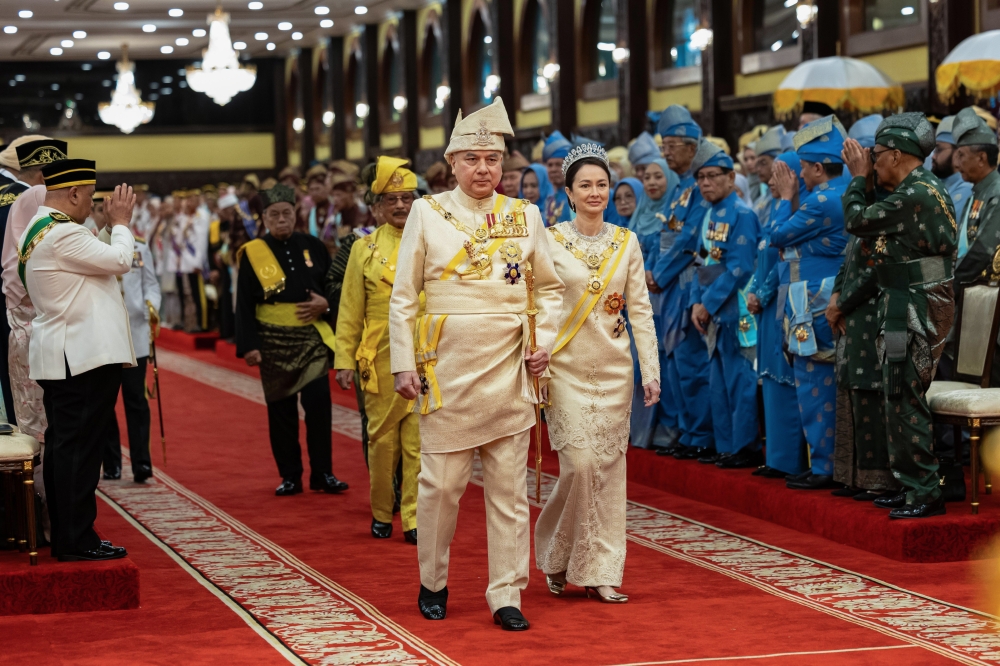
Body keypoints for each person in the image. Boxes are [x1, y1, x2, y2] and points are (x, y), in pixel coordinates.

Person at [389, 97, 564, 630]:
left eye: (493, 159)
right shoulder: (427, 211)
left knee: (509, 490)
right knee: (440, 486)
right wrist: (402, 363)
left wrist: (546, 341)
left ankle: (506, 592)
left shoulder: (525, 215)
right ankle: (433, 580)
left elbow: (551, 290)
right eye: (472, 159)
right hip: (446, 368)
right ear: (452, 165)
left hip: (509, 368)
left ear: (505, 164)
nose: (484, 168)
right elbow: (403, 297)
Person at [535, 143, 659, 604]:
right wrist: (539, 352)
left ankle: (601, 571)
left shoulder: (626, 242)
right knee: (580, 468)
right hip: (565, 367)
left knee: (608, 472)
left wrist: (651, 370)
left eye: (601, 184)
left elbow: (640, 311)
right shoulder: (549, 240)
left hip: (613, 371)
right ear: (568, 192)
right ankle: (555, 554)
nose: (595, 192)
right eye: (584, 185)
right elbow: (540, 305)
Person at [842, 113, 956, 519]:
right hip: (901, 303)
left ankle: (926, 491)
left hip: (916, 306)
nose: (871, 164)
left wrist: (858, 180)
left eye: (875, 157)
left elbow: (857, 220)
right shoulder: (912, 189)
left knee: (904, 392)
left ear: (895, 154)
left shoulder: (918, 193)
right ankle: (911, 484)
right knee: (895, 389)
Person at [22, 163, 136, 562]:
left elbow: (94, 257)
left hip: (66, 354)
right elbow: (120, 260)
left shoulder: (43, 226)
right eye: (89, 197)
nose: (91, 205)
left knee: (65, 447)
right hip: (83, 357)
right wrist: (121, 223)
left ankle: (70, 534)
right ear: (72, 194)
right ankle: (76, 538)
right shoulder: (63, 232)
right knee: (79, 452)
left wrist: (106, 227)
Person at [235, 184, 349, 497]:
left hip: (312, 337)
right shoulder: (253, 252)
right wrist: (250, 345)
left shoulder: (314, 245)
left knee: (319, 407)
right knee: (281, 412)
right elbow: (243, 302)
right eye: (275, 215)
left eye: (287, 213)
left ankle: (323, 473)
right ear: (264, 218)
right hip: (273, 342)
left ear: (295, 213)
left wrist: (325, 304)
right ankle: (290, 475)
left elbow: (334, 287)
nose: (282, 219)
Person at [334, 157, 421, 544]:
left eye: (407, 198)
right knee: (382, 442)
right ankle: (382, 511)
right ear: (378, 206)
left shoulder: (432, 243)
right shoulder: (363, 249)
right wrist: (343, 359)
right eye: (391, 199)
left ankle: (415, 517)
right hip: (379, 357)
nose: (400, 206)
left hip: (424, 356)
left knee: (419, 444)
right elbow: (350, 309)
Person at [769, 116, 851, 489]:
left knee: (815, 383)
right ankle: (825, 463)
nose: (798, 175)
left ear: (819, 168)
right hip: (820, 294)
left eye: (802, 167)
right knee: (822, 383)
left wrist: (786, 199)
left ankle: (824, 467)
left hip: (815, 300)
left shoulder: (822, 200)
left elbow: (778, 234)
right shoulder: (845, 192)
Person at [689, 142, 762, 468]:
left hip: (738, 309)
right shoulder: (707, 214)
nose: (706, 183)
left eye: (713, 176)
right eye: (700, 177)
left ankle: (744, 447)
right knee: (717, 382)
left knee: (740, 379)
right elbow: (700, 261)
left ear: (731, 177)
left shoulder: (743, 214)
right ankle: (726, 445)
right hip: (712, 310)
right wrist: (695, 303)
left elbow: (741, 267)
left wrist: (707, 302)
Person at [653, 112, 715, 461]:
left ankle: (702, 434)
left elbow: (689, 238)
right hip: (672, 285)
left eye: (672, 146)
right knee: (676, 362)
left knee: (692, 361)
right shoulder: (679, 187)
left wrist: (657, 274)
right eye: (663, 147)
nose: (666, 153)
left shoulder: (702, 184)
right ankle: (687, 430)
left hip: (689, 282)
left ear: (693, 148)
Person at [92, 191, 162, 484]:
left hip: (134, 333)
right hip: (105, 336)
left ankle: (142, 463)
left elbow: (152, 286)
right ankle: (112, 464)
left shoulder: (139, 247)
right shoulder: (90, 245)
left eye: (107, 207)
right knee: (104, 404)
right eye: (98, 209)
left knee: (136, 401)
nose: (102, 213)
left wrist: (151, 309)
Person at [746, 152, 808, 479]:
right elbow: (763, 262)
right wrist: (754, 293)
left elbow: (786, 260)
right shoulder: (772, 208)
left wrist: (764, 292)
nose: (770, 181)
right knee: (770, 375)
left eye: (779, 175)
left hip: (787, 299)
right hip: (767, 303)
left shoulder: (799, 209)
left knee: (787, 376)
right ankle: (777, 458)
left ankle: (793, 460)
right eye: (770, 175)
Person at [0, 138, 67, 429]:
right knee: (44, 404)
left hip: (10, 307)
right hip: (32, 310)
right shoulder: (34, 200)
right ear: (44, 177)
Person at [628, 157, 680, 450]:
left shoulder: (674, 213)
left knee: (664, 364)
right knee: (639, 364)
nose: (651, 182)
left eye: (658, 176)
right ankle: (641, 430)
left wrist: (655, 273)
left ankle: (668, 431)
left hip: (666, 297)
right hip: (639, 299)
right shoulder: (639, 215)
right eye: (647, 177)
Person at [952, 107, 1000, 381]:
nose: (956, 162)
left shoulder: (996, 193)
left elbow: (982, 250)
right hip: (973, 307)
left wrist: (949, 288)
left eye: (961, 155)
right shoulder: (978, 193)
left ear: (981, 158)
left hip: (991, 311)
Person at [175, 189, 210, 332]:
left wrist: (198, 263)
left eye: (191, 199)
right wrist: (183, 219)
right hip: (186, 260)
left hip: (196, 260)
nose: (188, 202)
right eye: (187, 200)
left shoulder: (202, 216)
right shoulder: (185, 217)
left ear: (197, 200)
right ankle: (192, 323)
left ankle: (203, 324)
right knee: (190, 293)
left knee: (199, 294)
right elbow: (178, 240)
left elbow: (202, 242)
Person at [931, 116, 975, 220]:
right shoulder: (937, 183)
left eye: (939, 149)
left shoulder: (966, 189)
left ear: (958, 153)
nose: (933, 156)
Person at [542, 130, 574, 226]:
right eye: (550, 165)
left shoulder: (576, 196)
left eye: (558, 164)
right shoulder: (548, 195)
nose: (553, 169)